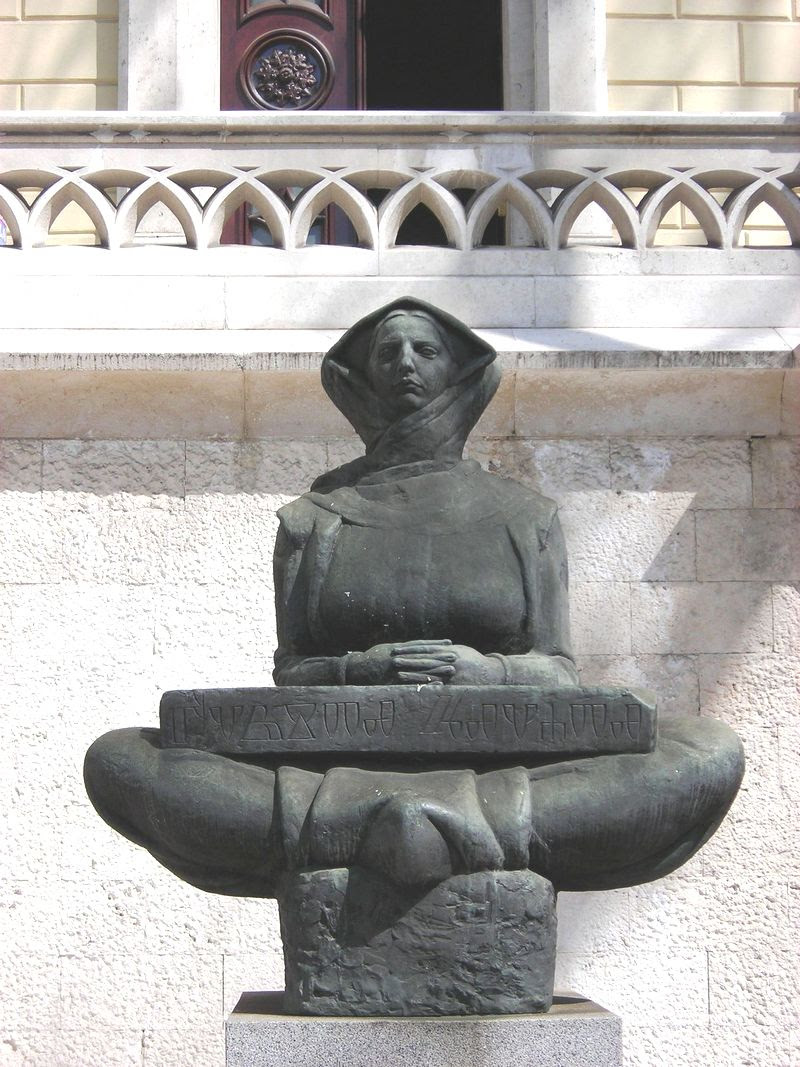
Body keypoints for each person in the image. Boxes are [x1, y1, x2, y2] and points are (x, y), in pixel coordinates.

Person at [85, 298, 744, 898]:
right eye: (388, 352)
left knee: (707, 751)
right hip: (338, 771)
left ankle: (411, 827)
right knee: (121, 759)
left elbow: (556, 674)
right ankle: (429, 829)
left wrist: (488, 672)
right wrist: (361, 670)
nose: (405, 363)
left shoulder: (524, 516)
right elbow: (293, 675)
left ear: (458, 371)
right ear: (364, 377)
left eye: (424, 350)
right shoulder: (312, 521)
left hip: (497, 768)